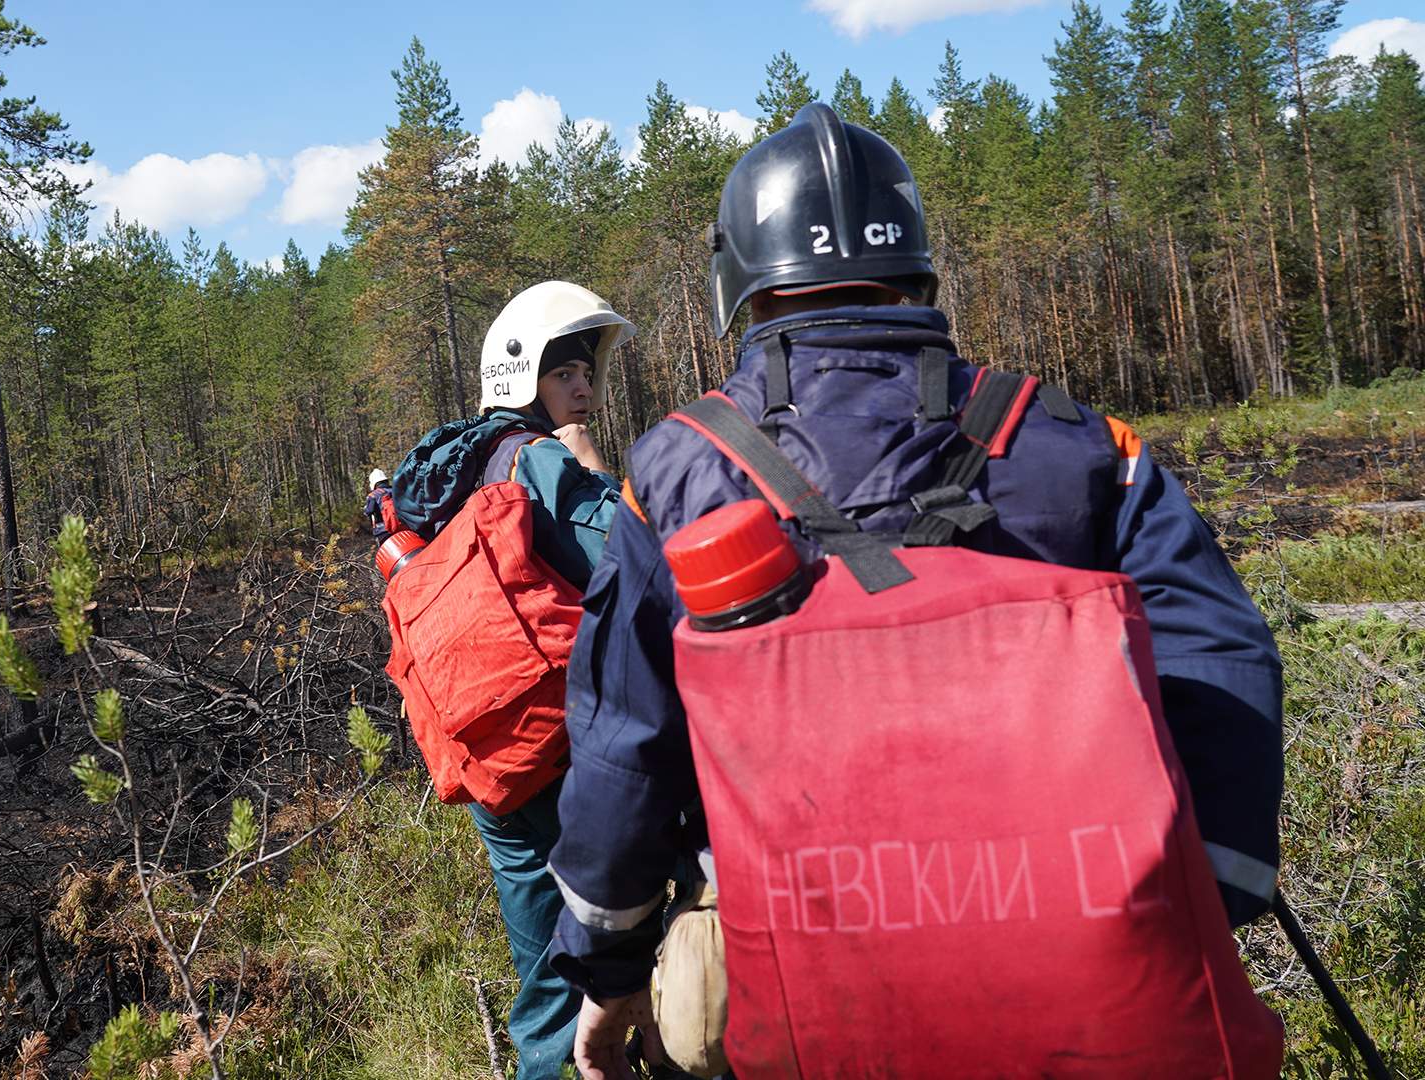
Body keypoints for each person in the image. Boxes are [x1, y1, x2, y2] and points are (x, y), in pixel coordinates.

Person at [547, 103, 1285, 1078]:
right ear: (917, 270)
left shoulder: (675, 475)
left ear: (742, 287)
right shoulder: (1082, 446)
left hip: (804, 1002)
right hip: (1094, 974)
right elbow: (1222, 673)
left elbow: (623, 757)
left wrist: (606, 973)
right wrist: (1195, 905)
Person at [389, 280, 635, 1080]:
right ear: (525, 379)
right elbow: (626, 567)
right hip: (561, 744)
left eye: (587, 372)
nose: (586, 388)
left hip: (487, 749)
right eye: (568, 373)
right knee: (626, 947)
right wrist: (598, 478)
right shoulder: (541, 459)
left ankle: (542, 1067)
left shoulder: (456, 463)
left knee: (544, 980)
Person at [363, 467, 394, 544]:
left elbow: (368, 511)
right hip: (402, 527)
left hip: (383, 531)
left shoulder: (373, 495)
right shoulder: (395, 490)